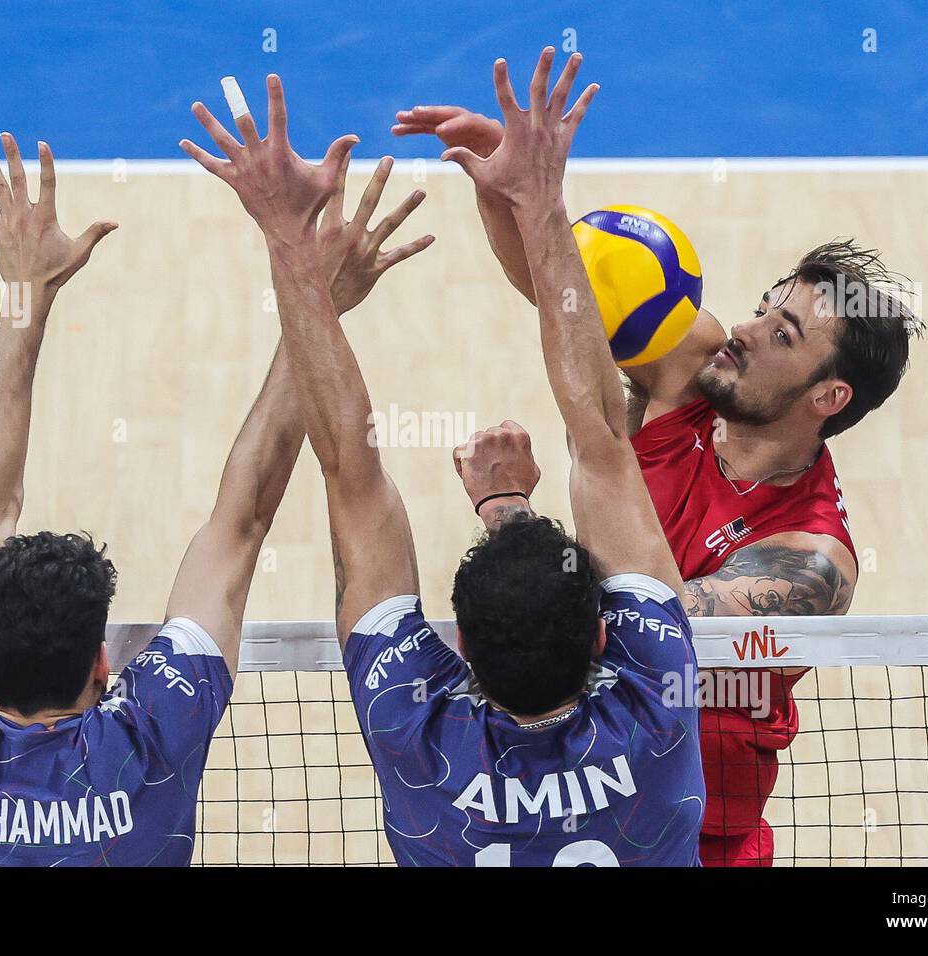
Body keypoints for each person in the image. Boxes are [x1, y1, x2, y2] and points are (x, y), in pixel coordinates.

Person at [180, 58, 703, 866]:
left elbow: (349, 465)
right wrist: (540, 204)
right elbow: (601, 439)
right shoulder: (656, 709)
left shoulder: (415, 730)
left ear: (456, 652)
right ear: (605, 637)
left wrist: (292, 243)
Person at [395, 98, 923, 866]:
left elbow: (616, 630)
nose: (741, 331)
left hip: (697, 836)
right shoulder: (697, 375)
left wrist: (507, 511)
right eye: (761, 310)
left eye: (781, 335)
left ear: (828, 397)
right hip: (579, 780)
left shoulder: (808, 561)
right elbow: (569, 303)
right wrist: (508, 193)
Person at [0, 134, 429, 865]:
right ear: (105, 669)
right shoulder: (149, 736)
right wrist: (316, 296)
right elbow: (243, 519)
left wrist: (27, 292)